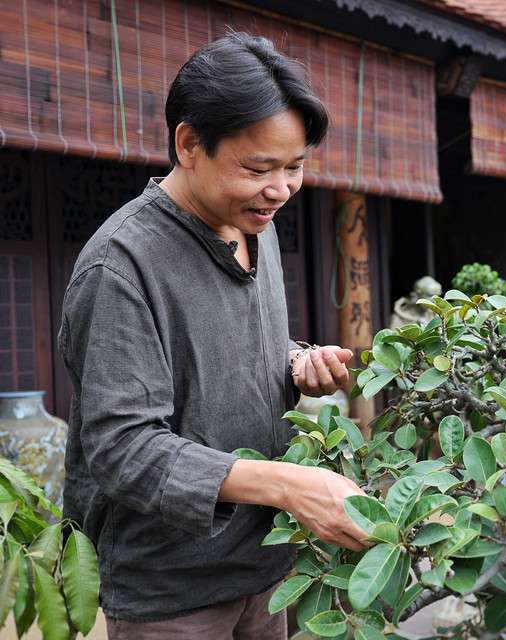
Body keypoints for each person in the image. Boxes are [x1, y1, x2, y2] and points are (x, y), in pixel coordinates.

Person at [58, 31, 370, 639]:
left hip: (269, 562)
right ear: (189, 143)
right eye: (258, 168)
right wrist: (287, 485)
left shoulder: (256, 221)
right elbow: (124, 448)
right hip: (174, 588)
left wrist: (295, 361)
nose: (280, 189)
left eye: (296, 166)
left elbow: (219, 353)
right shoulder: (121, 265)